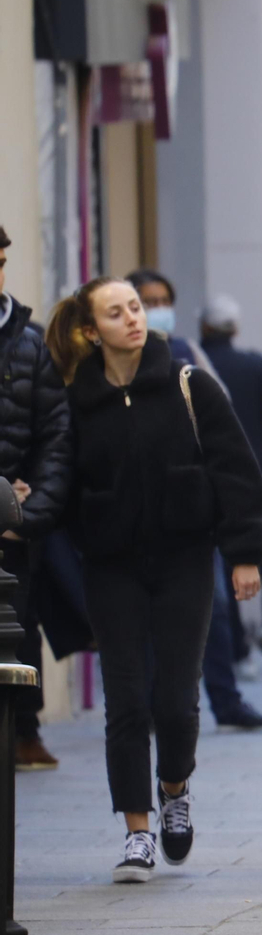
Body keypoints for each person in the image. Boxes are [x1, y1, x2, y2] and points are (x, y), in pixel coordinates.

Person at [46, 277, 262, 883]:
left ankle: (174, 788)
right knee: (125, 701)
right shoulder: (76, 399)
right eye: (115, 313)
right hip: (110, 568)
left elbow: (237, 471)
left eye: (136, 308)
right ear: (91, 331)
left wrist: (245, 554)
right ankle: (137, 831)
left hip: (184, 561)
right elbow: (60, 481)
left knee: (173, 700)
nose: (133, 319)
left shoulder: (188, 384)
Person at [128, 269, 262, 725]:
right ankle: (151, 706)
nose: (155, 310)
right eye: (145, 301)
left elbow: (221, 422)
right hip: (134, 519)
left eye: (161, 300)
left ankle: (225, 700)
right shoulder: (108, 369)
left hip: (191, 513)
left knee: (215, 610)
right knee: (144, 618)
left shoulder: (189, 356)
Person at [0, 226, 72, 772]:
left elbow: (55, 438)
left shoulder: (31, 345)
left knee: (16, 635)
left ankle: (22, 733)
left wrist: (29, 512)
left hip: (13, 528)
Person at [201, 295, 262, 681]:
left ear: (204, 327)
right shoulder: (253, 365)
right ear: (235, 328)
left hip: (207, 477)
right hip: (255, 473)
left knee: (225, 564)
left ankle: (238, 648)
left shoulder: (194, 367)